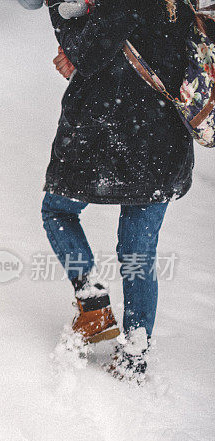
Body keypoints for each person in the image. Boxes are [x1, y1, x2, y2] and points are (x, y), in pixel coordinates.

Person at [41, 0, 196, 383]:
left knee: (57, 210)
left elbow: (90, 51)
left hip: (107, 137)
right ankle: (135, 352)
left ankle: (93, 306)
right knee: (138, 250)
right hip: (163, 140)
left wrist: (62, 14)